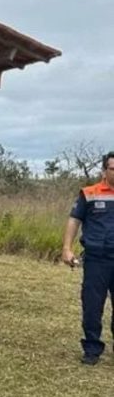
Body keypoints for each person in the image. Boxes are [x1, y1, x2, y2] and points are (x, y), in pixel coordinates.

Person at [62, 151, 114, 365]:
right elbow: (74, 220)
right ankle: (92, 348)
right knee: (92, 305)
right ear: (104, 170)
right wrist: (67, 248)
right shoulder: (89, 193)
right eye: (113, 168)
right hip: (97, 259)